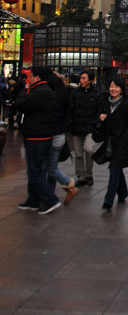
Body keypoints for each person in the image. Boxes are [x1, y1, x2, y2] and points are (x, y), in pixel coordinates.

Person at [16, 66, 61, 214]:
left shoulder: (40, 91)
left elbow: (21, 103)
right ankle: (33, 200)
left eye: (31, 76)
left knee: (35, 171)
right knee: (34, 170)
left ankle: (50, 199)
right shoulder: (43, 91)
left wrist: (25, 89)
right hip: (39, 135)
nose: (28, 79)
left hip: (37, 136)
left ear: (38, 77)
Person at [99, 76, 128, 211]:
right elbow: (101, 119)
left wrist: (126, 138)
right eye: (111, 86)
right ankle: (123, 192)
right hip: (109, 141)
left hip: (121, 142)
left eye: (116, 87)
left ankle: (108, 200)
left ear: (121, 89)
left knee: (113, 169)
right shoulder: (105, 103)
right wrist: (102, 118)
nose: (113, 89)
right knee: (117, 168)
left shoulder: (127, 104)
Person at [46, 71, 79, 205]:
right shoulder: (65, 94)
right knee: (52, 165)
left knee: (51, 167)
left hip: (54, 134)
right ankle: (49, 193)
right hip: (60, 134)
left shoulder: (55, 98)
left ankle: (68, 184)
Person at [69, 71, 101, 187]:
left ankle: (88, 174)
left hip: (90, 127)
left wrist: (97, 124)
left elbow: (99, 109)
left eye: (84, 78)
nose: (81, 80)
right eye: (81, 78)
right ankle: (81, 176)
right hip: (77, 127)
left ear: (90, 80)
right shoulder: (75, 93)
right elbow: (70, 110)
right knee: (78, 153)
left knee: (89, 150)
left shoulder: (96, 94)